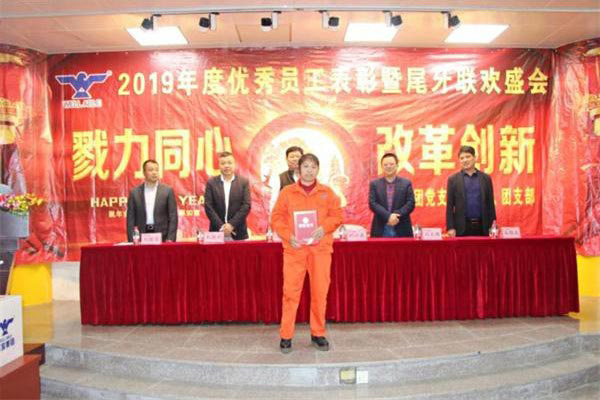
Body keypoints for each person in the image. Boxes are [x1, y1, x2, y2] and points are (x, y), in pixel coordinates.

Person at [272, 153, 342, 354]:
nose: (309, 170)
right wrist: (288, 235)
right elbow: (276, 218)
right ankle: (286, 335)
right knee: (290, 293)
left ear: (318, 169)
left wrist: (324, 228)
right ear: (299, 169)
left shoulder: (327, 192)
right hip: (295, 250)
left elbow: (337, 216)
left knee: (320, 293)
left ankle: (318, 333)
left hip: (320, 251)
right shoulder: (287, 193)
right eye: (306, 167)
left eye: (313, 167)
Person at [446, 145, 496, 237]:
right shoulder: (453, 180)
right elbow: (449, 206)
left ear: (475, 158)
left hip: (483, 226)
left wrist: (493, 226)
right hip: (461, 227)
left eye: (468, 157)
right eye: (462, 158)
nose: (465, 160)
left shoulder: (486, 178)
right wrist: (450, 227)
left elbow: (490, 204)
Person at [126, 159, 178, 242]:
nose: (154, 173)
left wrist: (170, 238)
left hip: (162, 236)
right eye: (151, 170)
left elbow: (173, 217)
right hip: (141, 235)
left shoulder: (167, 191)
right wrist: (132, 240)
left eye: (156, 170)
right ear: (144, 173)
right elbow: (130, 219)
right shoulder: (135, 193)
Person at [204, 151, 251, 240]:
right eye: (223, 163)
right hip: (216, 232)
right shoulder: (211, 183)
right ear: (219, 166)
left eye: (229, 163)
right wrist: (221, 227)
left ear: (234, 164)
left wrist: (231, 225)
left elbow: (246, 205)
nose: (226, 166)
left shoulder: (243, 182)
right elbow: (208, 206)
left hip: (238, 232)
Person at [368, 152, 415, 237]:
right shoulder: (375, 184)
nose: (388, 166)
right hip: (381, 228)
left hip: (402, 227)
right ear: (382, 167)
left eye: (391, 164)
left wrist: (396, 215)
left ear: (397, 165)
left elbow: (410, 203)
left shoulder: (406, 183)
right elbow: (372, 203)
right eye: (385, 165)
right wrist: (388, 216)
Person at [269, 146, 304, 213]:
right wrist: (273, 216)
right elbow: (274, 201)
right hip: (286, 216)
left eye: (298, 156)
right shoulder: (280, 178)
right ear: (286, 159)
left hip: (306, 216)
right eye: (292, 157)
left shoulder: (310, 178)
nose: (295, 159)